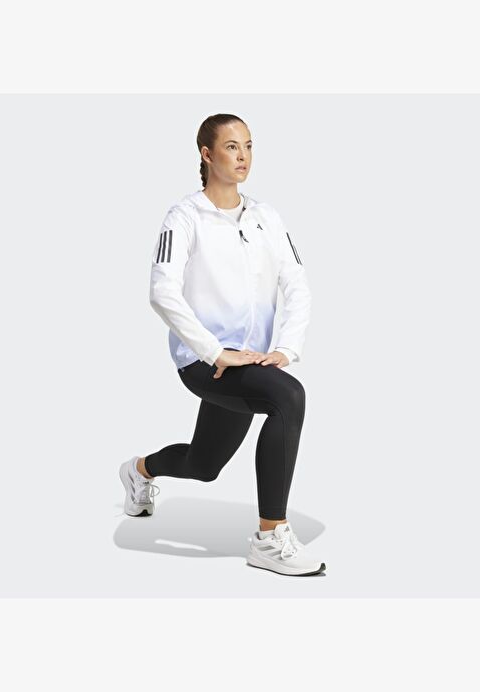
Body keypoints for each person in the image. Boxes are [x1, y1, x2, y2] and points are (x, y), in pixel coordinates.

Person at [119, 113, 326, 577]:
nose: (243, 156)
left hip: (251, 362)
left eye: (249, 146)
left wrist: (287, 348)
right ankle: (270, 538)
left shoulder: (266, 217)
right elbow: (162, 291)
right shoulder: (184, 217)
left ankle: (139, 470)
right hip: (203, 361)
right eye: (232, 147)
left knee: (203, 464)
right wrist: (214, 351)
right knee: (289, 397)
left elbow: (298, 285)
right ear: (207, 154)